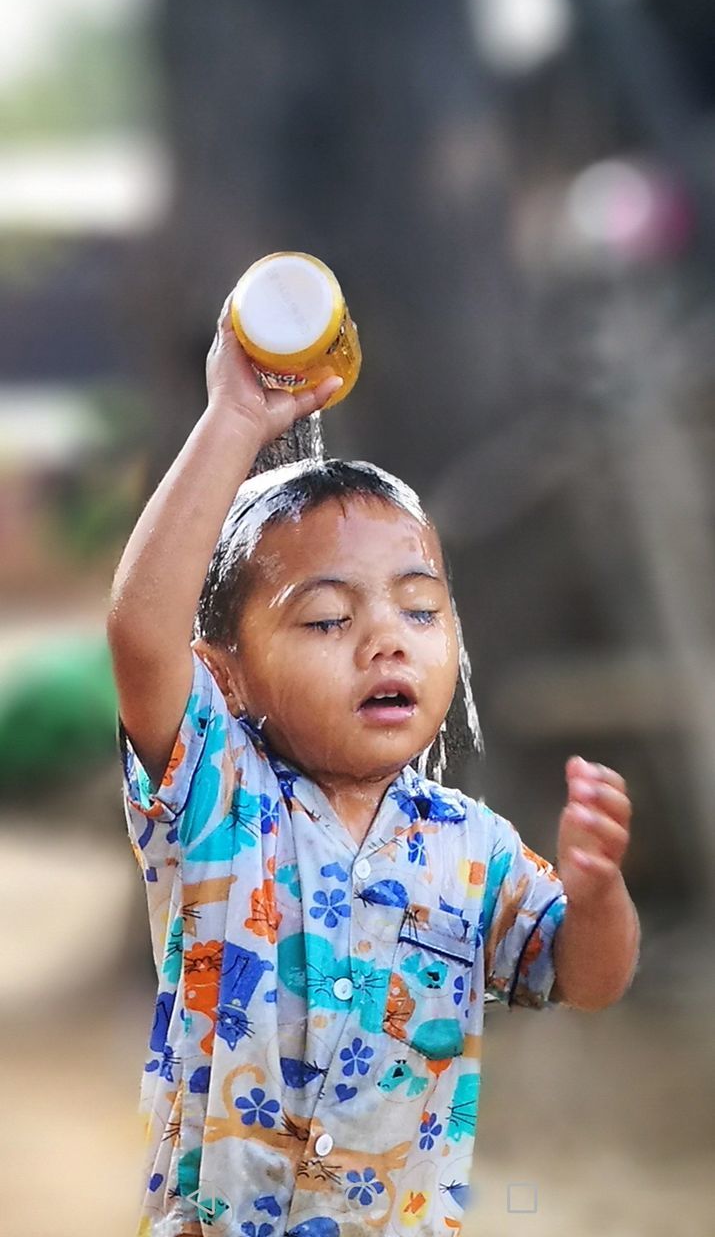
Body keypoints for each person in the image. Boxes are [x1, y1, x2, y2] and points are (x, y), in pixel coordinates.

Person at [108, 295, 641, 1237]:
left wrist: (598, 897)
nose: (384, 643)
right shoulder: (217, 794)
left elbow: (585, 978)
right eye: (326, 619)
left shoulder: (474, 847)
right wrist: (232, 421)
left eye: (419, 610)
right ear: (224, 676)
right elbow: (141, 633)